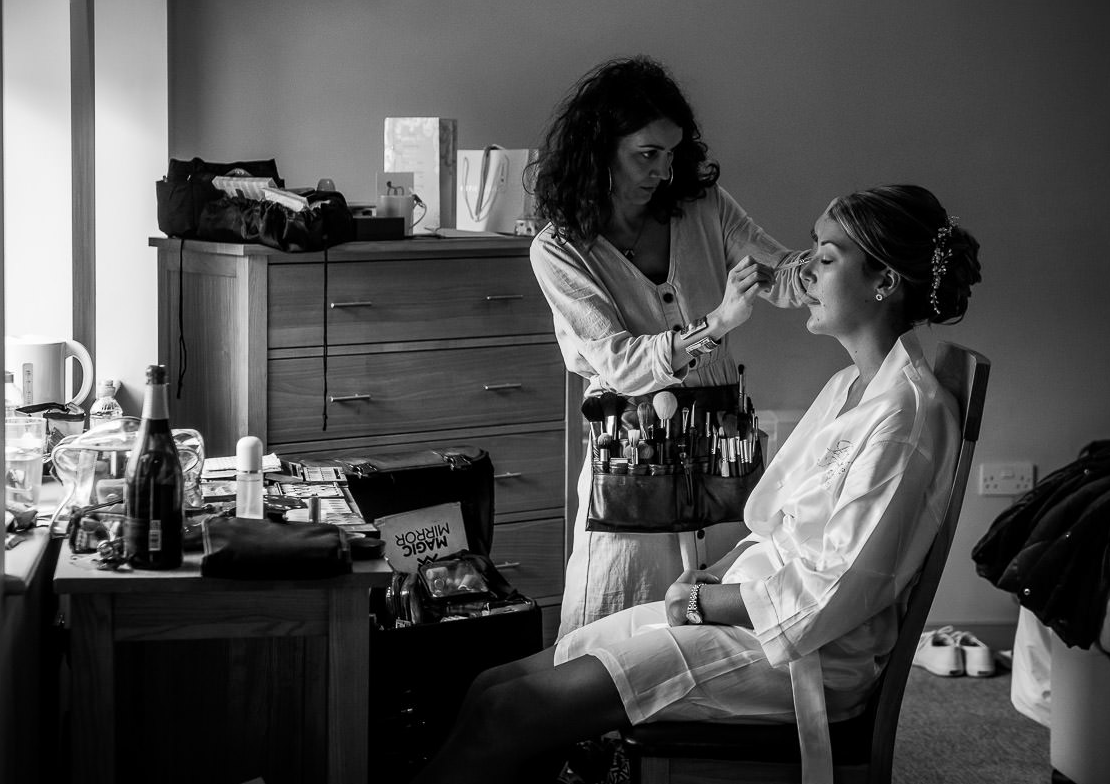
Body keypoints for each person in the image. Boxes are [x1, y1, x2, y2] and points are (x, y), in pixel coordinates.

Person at [410, 184, 982, 784]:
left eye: (827, 257)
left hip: (796, 655)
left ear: (883, 282)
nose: (805, 268)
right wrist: (714, 572)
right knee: (495, 684)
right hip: (744, 611)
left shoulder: (905, 418)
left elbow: (829, 595)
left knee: (511, 708)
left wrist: (702, 602)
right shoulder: (849, 386)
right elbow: (782, 525)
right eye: (811, 249)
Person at [526, 55, 809, 637]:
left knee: (716, 612)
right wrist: (717, 321)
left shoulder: (702, 205)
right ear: (599, 148)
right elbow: (623, 366)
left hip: (718, 444)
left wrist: (836, 260)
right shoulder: (559, 248)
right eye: (646, 154)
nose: (662, 170)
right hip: (631, 453)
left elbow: (777, 272)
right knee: (614, 623)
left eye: (672, 153)